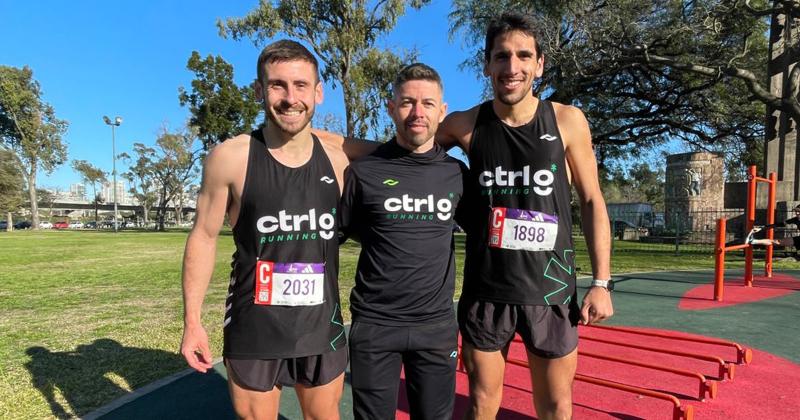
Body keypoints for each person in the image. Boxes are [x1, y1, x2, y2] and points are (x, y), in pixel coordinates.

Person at [435, 13, 614, 419]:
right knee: (482, 404)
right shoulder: (464, 125)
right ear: (487, 65)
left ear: (539, 64)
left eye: (522, 56)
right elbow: (410, 152)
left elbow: (591, 200)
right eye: (501, 57)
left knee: (554, 406)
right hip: (487, 292)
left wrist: (602, 282)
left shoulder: (567, 120)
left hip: (550, 292)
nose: (511, 67)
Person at [180, 39, 350, 420]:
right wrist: (192, 322)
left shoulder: (338, 162)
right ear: (259, 90)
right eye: (277, 85)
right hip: (254, 327)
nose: (291, 98)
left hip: (322, 327)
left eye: (301, 85)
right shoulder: (231, 158)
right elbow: (204, 237)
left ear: (318, 92)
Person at [338, 63, 466, 419]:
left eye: (427, 103)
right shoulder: (364, 172)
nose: (417, 112)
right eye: (407, 102)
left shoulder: (456, 174)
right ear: (391, 107)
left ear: (442, 111)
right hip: (375, 325)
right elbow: (331, 237)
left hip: (436, 327)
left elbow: (487, 238)